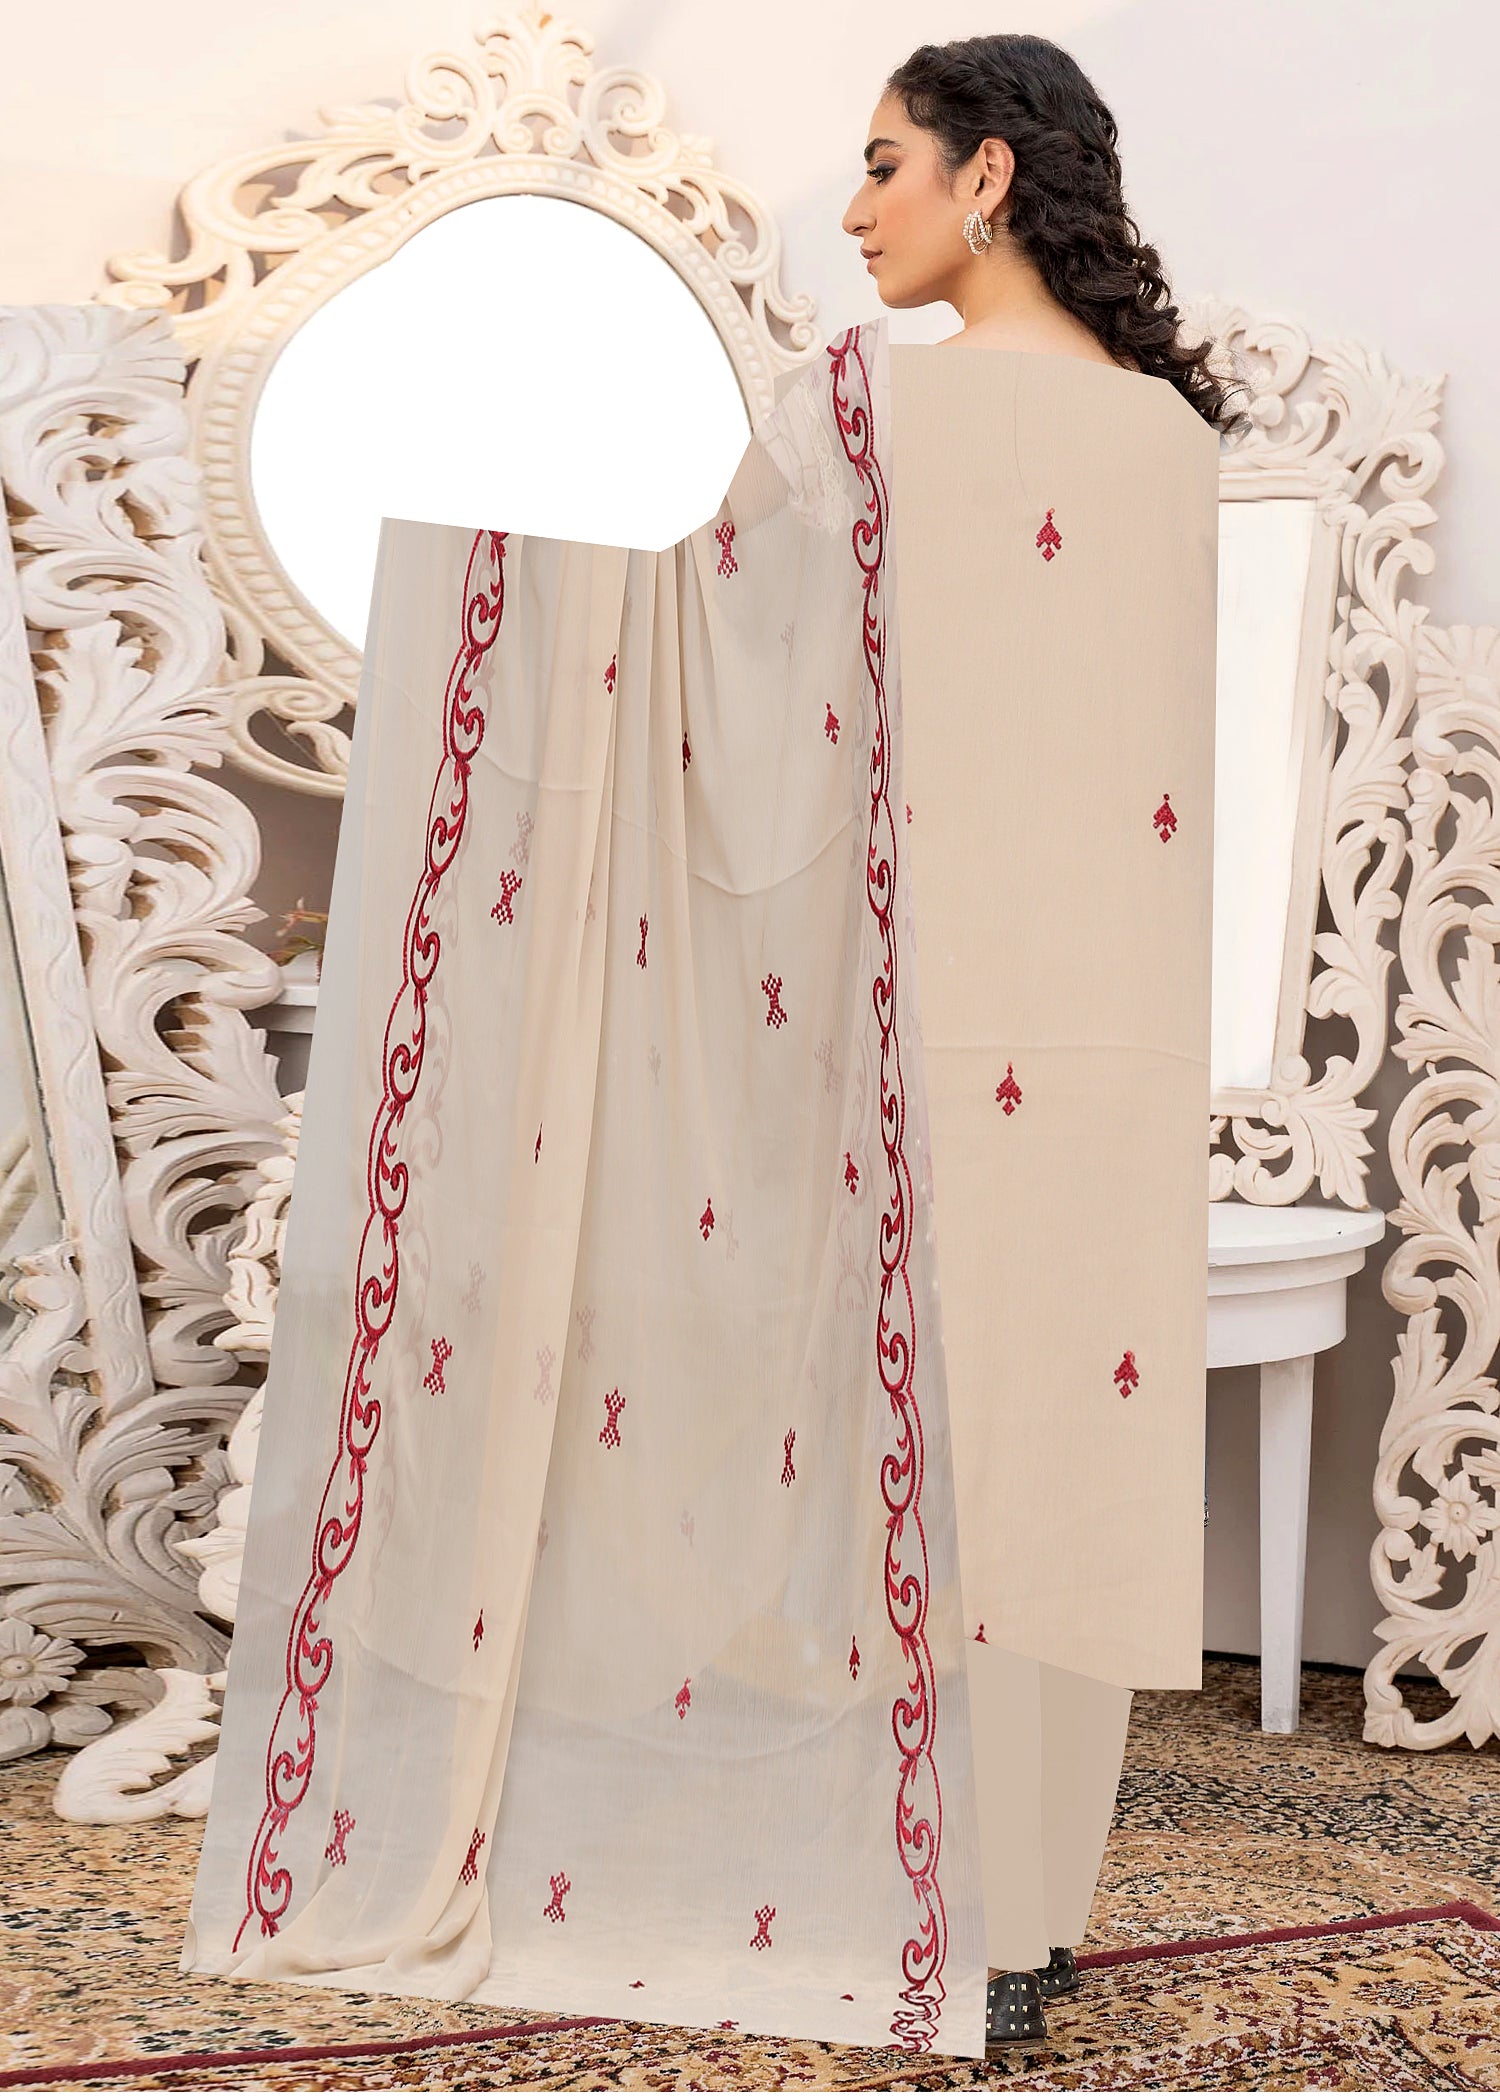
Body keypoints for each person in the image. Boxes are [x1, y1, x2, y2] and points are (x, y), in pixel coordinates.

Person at [840, 34, 1246, 2048]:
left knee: (926, 1441)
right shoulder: (1171, 434)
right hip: (1110, 1044)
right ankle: (1025, 1916)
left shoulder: (874, 414)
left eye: (884, 164)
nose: (855, 211)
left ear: (987, 175)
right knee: (1063, 1435)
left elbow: (746, 686)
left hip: (912, 1018)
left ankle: (921, 1907)